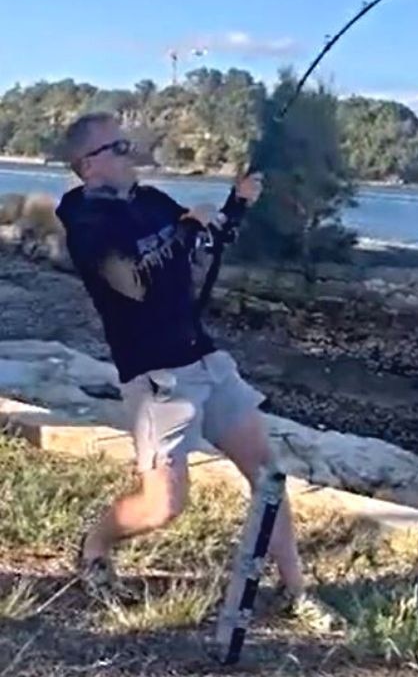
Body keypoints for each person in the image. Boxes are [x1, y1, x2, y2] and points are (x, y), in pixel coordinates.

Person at [54, 111, 336, 631]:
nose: (130, 151)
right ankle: (96, 542)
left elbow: (208, 240)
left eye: (128, 142)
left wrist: (234, 207)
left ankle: (299, 592)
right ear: (87, 167)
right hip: (156, 376)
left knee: (269, 479)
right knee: (163, 506)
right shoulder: (85, 224)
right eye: (118, 147)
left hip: (204, 357)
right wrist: (186, 228)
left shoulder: (154, 201)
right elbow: (130, 280)